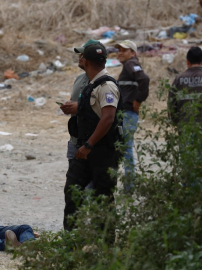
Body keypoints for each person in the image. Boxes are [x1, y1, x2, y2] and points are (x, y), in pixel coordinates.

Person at [63, 43, 121, 232]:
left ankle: (103, 245)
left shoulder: (106, 86)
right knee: (73, 194)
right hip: (85, 151)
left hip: (100, 153)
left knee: (103, 199)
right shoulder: (90, 83)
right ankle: (74, 243)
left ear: (85, 61)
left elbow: (108, 118)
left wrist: (89, 144)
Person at [115, 40, 150, 187]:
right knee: (124, 147)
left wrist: (138, 101)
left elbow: (144, 79)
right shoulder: (128, 67)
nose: (120, 53)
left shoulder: (131, 64)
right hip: (126, 113)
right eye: (119, 50)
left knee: (125, 148)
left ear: (133, 53)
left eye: (124, 50)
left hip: (128, 113)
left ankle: (129, 186)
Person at [60, 39, 98, 166]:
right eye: (79, 54)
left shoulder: (104, 82)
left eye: (83, 55)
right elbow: (74, 100)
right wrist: (69, 106)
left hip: (93, 143)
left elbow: (107, 114)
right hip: (75, 140)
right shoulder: (79, 78)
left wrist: (80, 108)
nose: (79, 58)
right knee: (73, 183)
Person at [168, 47, 202, 129]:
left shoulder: (178, 79)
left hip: (184, 127)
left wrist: (175, 121)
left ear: (187, 62)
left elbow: (171, 102)